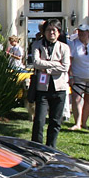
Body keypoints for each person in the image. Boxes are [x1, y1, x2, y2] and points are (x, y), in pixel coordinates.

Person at [30, 19, 70, 148]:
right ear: (44, 32)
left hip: (59, 89)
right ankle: (36, 147)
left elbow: (65, 67)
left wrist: (46, 67)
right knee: (39, 121)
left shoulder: (64, 47)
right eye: (48, 30)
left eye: (54, 30)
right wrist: (55, 64)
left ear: (58, 33)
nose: (51, 32)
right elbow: (36, 62)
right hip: (42, 89)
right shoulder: (37, 45)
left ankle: (51, 148)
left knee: (55, 121)